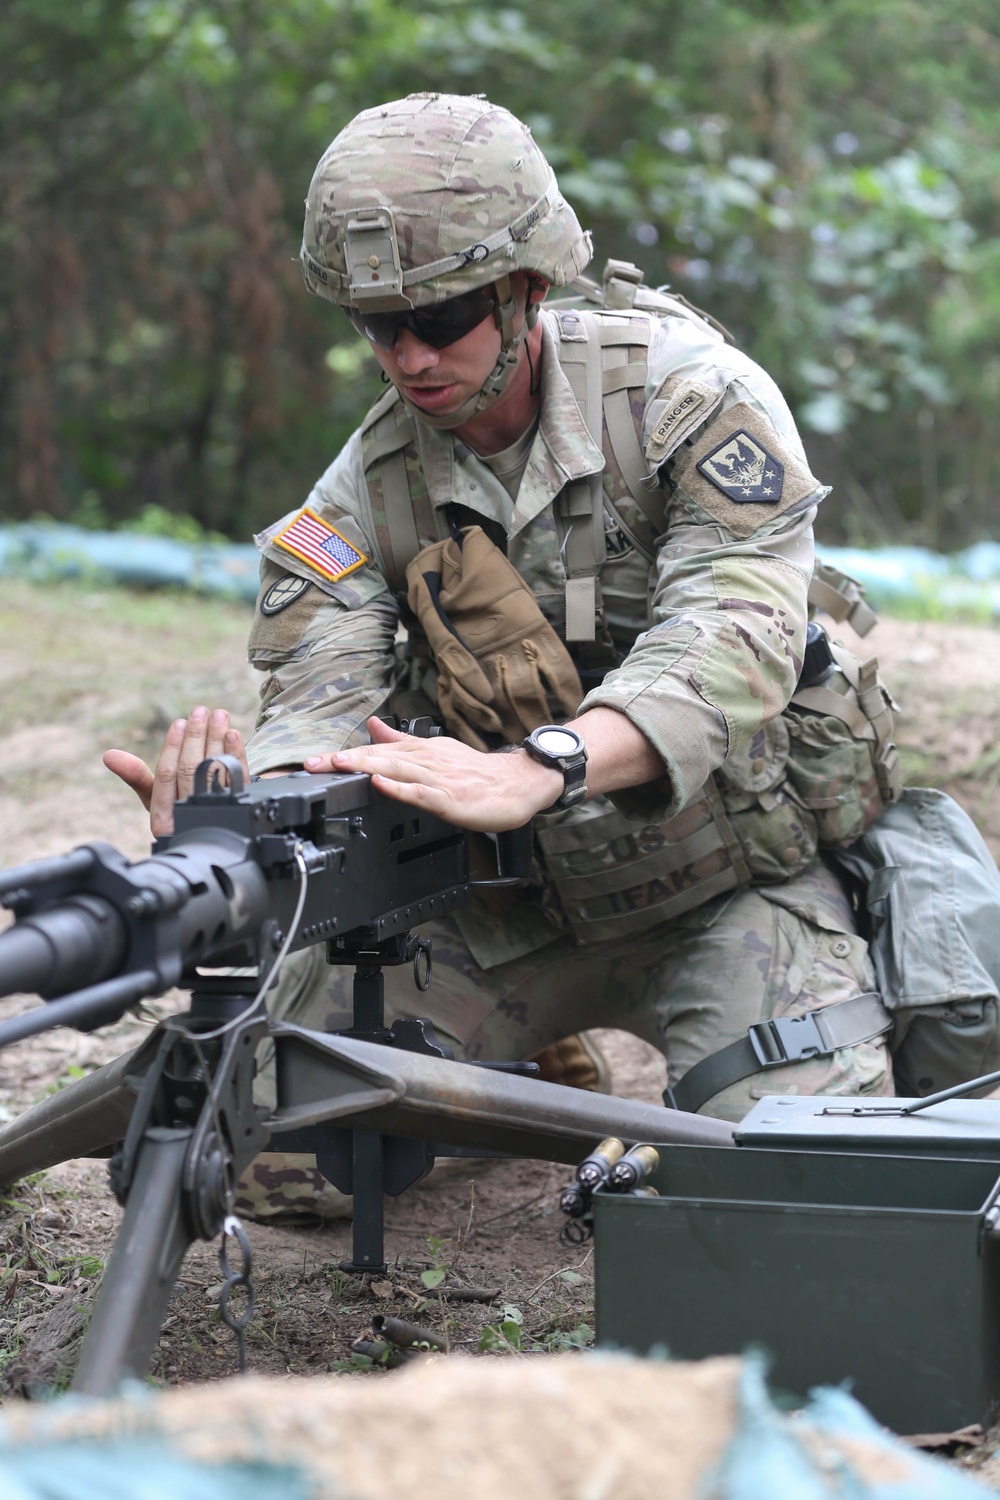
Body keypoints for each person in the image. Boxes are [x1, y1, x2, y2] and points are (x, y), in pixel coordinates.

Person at [105, 93, 995, 1215]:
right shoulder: (358, 496)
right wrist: (240, 827)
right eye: (378, 326)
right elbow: (318, 709)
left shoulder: (687, 398)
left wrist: (546, 765)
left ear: (529, 286)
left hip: (724, 893)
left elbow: (734, 632)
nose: (411, 355)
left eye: (444, 313)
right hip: (498, 907)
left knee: (796, 1179)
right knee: (272, 1157)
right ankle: (515, 1076)